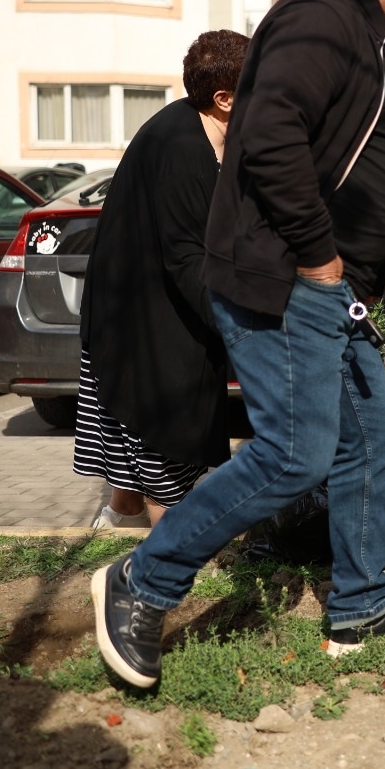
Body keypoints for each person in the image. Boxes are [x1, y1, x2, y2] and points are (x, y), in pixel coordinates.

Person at [91, 0, 385, 689]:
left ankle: (361, 601)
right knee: (294, 453)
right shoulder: (322, 17)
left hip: (330, 287)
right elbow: (270, 137)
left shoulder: (357, 27)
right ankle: (141, 583)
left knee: (370, 433)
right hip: (289, 281)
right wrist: (321, 259)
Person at [74, 30, 248, 529]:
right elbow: (189, 258)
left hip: (137, 316)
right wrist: (241, 329)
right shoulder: (181, 150)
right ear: (224, 99)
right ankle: (162, 574)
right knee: (163, 463)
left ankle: (120, 519)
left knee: (134, 455)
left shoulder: (195, 128)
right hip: (144, 329)